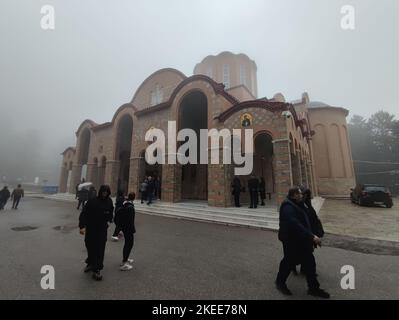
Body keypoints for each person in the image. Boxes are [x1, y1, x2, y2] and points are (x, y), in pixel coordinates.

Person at [275, 187, 330, 298]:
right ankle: (280, 283)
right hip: (291, 241)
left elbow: (307, 217)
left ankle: (313, 288)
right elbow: (295, 224)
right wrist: (311, 236)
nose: (302, 195)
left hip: (302, 240)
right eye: (300, 194)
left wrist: (313, 233)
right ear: (294, 195)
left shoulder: (298, 204)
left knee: (310, 263)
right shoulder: (287, 207)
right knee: (288, 262)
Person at [79, 185, 114, 281]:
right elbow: (84, 213)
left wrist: (109, 220)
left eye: (106, 192)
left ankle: (97, 269)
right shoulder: (92, 201)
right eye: (103, 192)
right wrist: (82, 226)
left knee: (100, 249)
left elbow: (111, 211)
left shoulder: (109, 201)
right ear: (100, 192)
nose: (105, 194)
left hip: (102, 230)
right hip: (91, 228)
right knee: (89, 246)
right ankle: (90, 263)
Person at [117, 192, 136, 271]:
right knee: (129, 244)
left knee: (127, 244)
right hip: (128, 228)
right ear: (134, 198)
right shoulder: (130, 207)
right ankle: (124, 262)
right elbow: (130, 220)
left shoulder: (125, 204)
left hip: (125, 228)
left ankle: (125, 258)